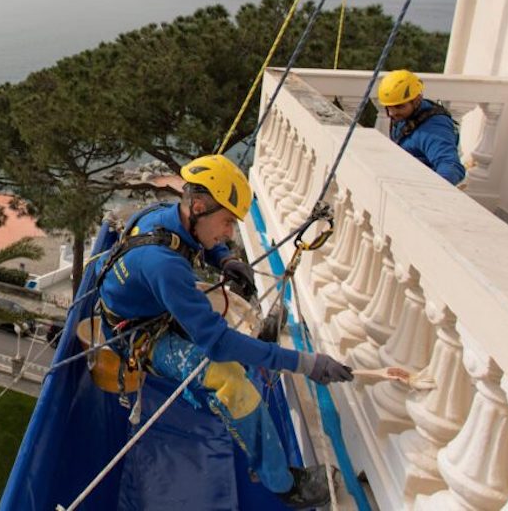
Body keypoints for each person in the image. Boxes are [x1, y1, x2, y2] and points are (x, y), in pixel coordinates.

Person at [95, 154, 353, 509]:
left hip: (145, 309)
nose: (230, 233)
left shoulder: (163, 216)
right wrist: (304, 363)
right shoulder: (165, 266)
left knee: (233, 321)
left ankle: (257, 362)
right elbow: (215, 344)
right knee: (229, 379)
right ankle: (283, 484)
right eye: (227, 222)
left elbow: (196, 241)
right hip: (138, 336)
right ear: (198, 205)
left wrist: (225, 259)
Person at [377, 69, 466, 185]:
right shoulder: (406, 117)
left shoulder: (434, 128)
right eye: (388, 107)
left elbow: (450, 166)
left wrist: (434, 191)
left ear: (416, 101)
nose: (391, 113)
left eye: (399, 107)